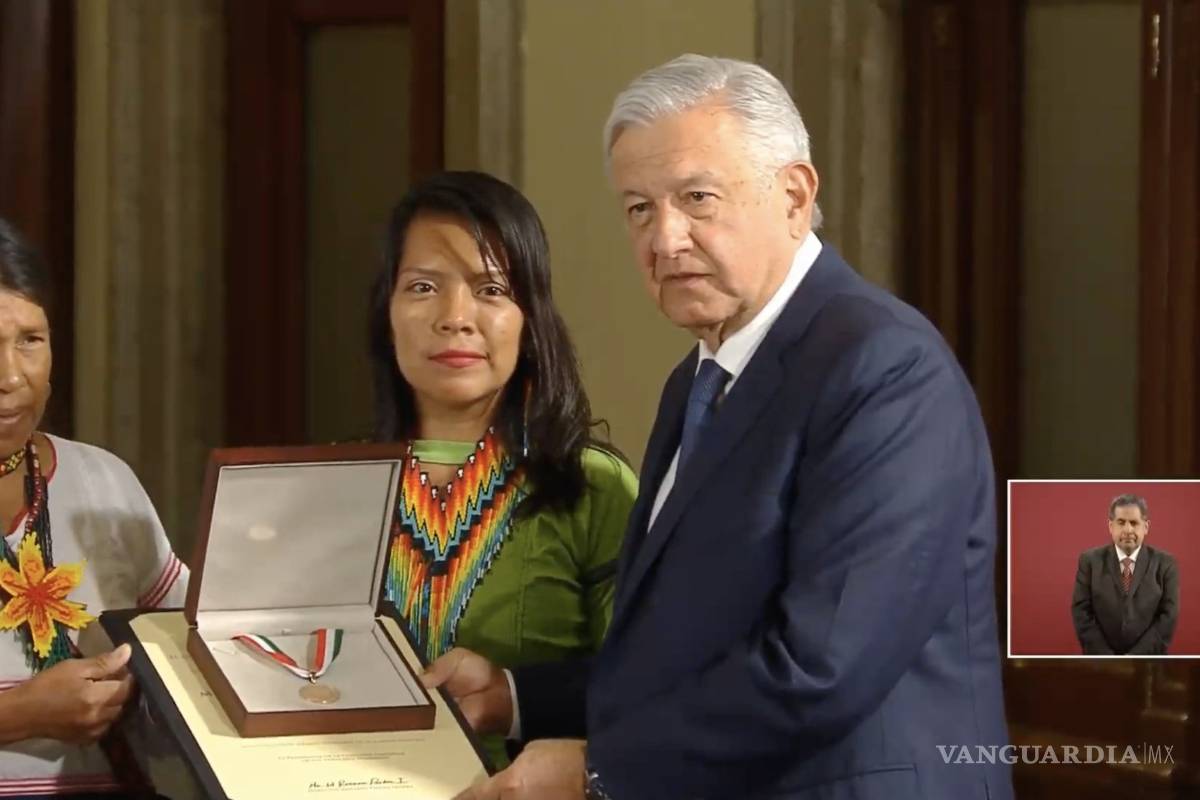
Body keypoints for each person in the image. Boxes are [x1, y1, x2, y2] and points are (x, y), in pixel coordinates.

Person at [433, 55, 1013, 800]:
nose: (664, 238)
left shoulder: (885, 369)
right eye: (639, 208)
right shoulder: (698, 379)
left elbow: (821, 668)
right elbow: (684, 644)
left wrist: (598, 770)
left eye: (696, 198)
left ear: (795, 196)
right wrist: (515, 696)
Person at [367, 171, 638, 766]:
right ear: (386, 314)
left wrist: (512, 695)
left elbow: (648, 684)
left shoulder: (591, 485)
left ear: (531, 318)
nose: (455, 316)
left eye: (491, 290)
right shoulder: (334, 491)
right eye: (421, 287)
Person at [0, 217, 188, 796]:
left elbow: (190, 657)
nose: (10, 376)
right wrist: (19, 715)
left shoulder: (103, 481)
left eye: (30, 340)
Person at [1071, 493, 1179, 655]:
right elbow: (1081, 612)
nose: (1128, 529)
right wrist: (1107, 657)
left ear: (1146, 527)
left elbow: (1168, 617)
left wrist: (1135, 657)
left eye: (1134, 523)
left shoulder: (1165, 564)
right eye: (1121, 522)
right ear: (1110, 526)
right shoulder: (1090, 561)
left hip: (1149, 662)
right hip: (1100, 661)